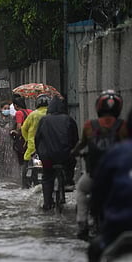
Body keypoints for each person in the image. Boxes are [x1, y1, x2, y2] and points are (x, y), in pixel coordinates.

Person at [71, 90, 128, 240]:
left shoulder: (90, 125)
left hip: (94, 175)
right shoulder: (122, 126)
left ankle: (82, 223)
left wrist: (73, 153)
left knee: (81, 190)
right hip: (117, 176)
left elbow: (82, 144)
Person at [87, 107, 132, 262]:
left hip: (118, 227)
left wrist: (94, 212)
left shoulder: (117, 153)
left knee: (93, 250)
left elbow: (97, 191)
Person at [35, 96, 79, 211]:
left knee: (47, 176)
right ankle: (68, 181)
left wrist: (40, 153)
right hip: (65, 157)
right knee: (71, 162)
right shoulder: (69, 119)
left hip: (47, 158)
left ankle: (47, 203)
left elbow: (37, 139)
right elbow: (75, 139)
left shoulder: (44, 120)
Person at [21, 94, 50, 185]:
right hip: (49, 145)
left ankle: (25, 183)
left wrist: (27, 139)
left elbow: (24, 128)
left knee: (26, 160)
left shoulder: (33, 114)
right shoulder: (51, 114)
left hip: (33, 145)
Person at [0, 100, 20, 182]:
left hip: (9, 145)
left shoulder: (13, 118)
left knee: (9, 163)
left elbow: (18, 130)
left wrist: (15, 132)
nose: (7, 110)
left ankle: (9, 180)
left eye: (8, 108)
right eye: (5, 108)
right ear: (1, 109)